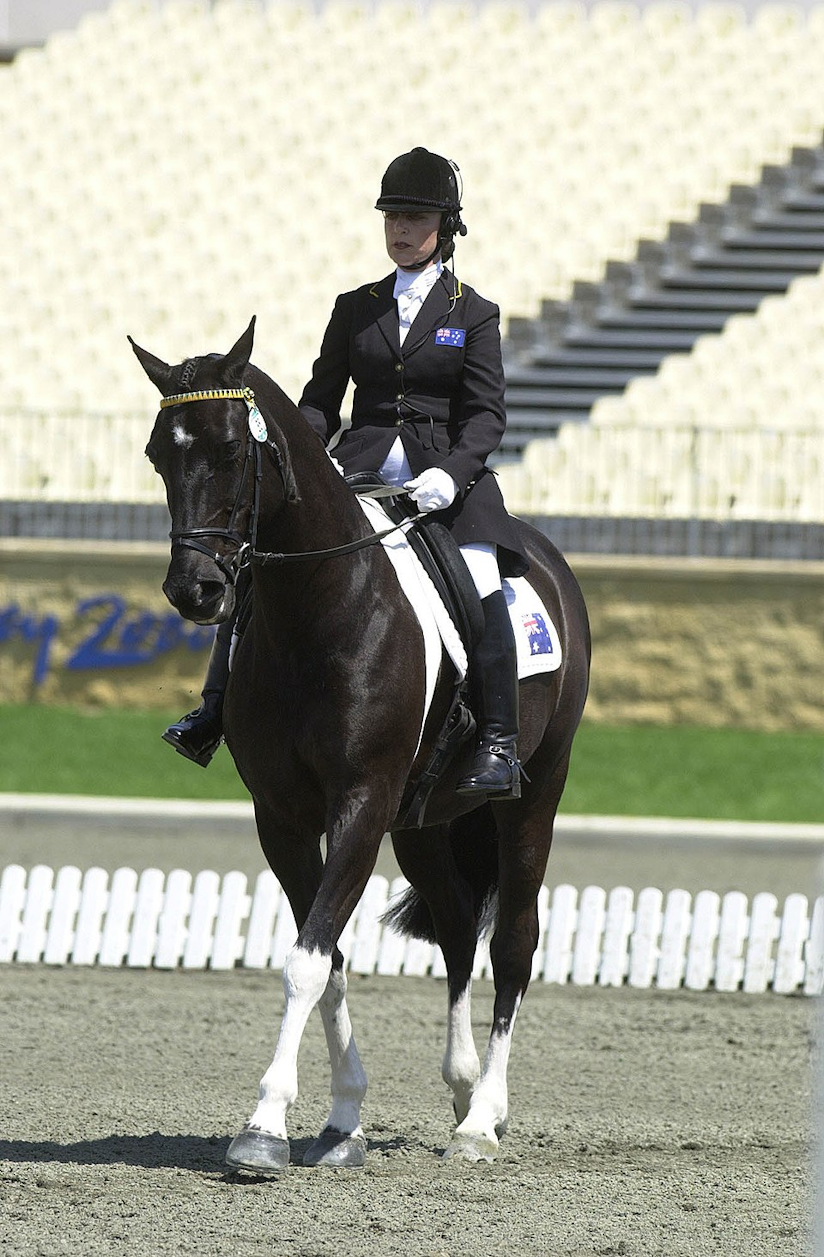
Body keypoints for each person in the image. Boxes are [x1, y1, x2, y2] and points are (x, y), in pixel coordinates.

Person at [163, 146, 529, 799]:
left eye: (414, 218)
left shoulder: (474, 313)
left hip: (444, 482)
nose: (400, 229)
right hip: (355, 469)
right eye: (391, 217)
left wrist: (450, 473)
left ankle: (500, 742)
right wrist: (306, 450)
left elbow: (485, 418)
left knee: (479, 581)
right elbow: (319, 400)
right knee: (258, 569)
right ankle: (213, 711)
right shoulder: (355, 306)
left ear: (445, 226)